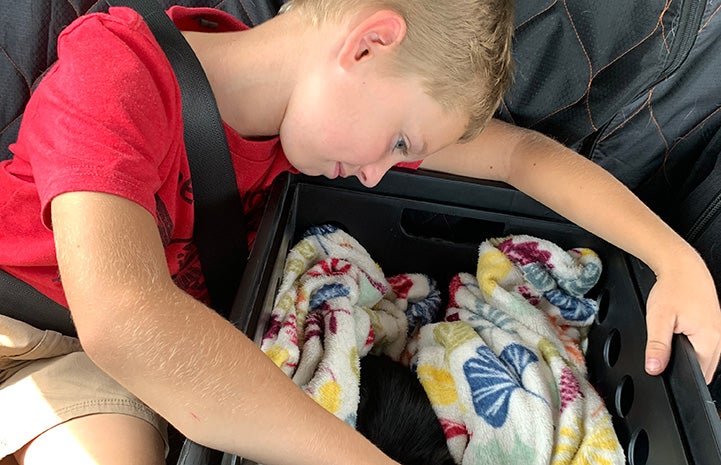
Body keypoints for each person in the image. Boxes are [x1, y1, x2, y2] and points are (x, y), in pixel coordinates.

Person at [0, 0, 718, 464]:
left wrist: (671, 255)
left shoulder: (298, 136)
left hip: (110, 376)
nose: (378, 175)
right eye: (400, 138)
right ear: (369, 43)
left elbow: (518, 154)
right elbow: (124, 316)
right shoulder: (117, 69)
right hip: (28, 329)